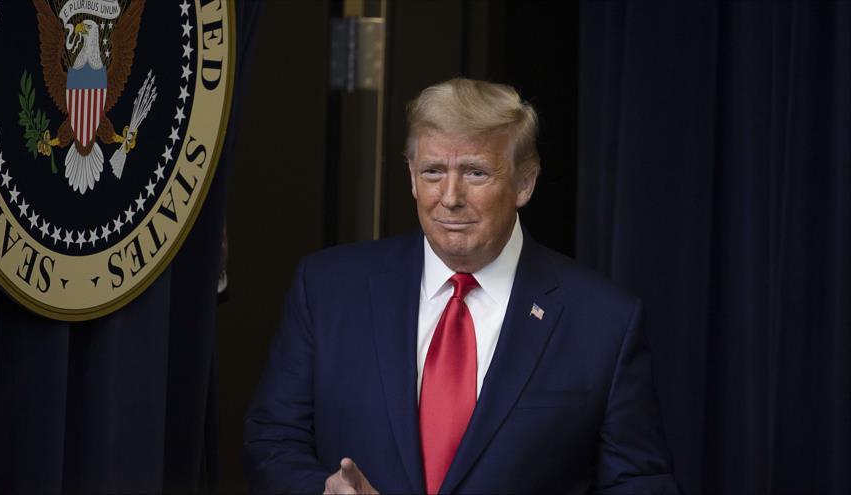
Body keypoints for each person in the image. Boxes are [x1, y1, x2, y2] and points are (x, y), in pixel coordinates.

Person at [243, 78, 678, 494]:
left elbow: (637, 483)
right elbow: (273, 441)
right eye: (433, 171)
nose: (450, 197)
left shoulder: (604, 321)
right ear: (411, 176)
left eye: (475, 173)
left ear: (524, 183)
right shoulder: (328, 290)